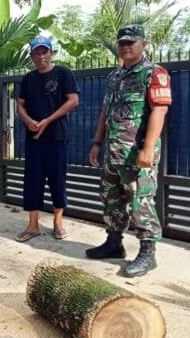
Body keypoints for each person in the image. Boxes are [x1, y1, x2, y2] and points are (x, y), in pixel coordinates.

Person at [86, 24, 172, 277]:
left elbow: (160, 110)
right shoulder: (114, 77)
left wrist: (147, 148)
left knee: (140, 201)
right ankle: (114, 243)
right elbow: (106, 111)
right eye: (122, 42)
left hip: (137, 153)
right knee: (110, 197)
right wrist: (96, 142)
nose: (125, 46)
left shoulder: (154, 73)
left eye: (131, 42)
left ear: (143, 44)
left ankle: (148, 252)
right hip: (113, 152)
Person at [15, 36, 80, 242]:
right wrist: (29, 121)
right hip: (33, 137)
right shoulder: (28, 78)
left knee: (57, 179)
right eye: (37, 52)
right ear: (31, 55)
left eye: (45, 52)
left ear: (51, 53)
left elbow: (73, 100)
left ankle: (57, 223)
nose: (41, 56)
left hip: (57, 136)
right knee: (32, 180)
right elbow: (20, 105)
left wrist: (47, 120)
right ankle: (33, 225)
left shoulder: (63, 73)